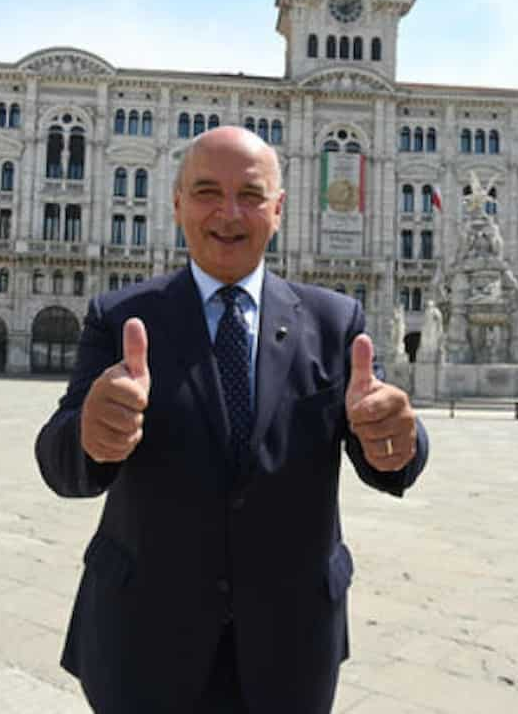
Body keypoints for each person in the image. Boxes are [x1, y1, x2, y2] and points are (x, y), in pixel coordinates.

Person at [35, 126, 429, 714]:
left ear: (279, 208)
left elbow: (381, 435)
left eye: (249, 194)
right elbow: (62, 460)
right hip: (143, 638)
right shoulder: (121, 317)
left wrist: (399, 442)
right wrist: (90, 435)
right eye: (205, 192)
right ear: (176, 205)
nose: (228, 212)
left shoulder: (334, 321)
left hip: (290, 643)